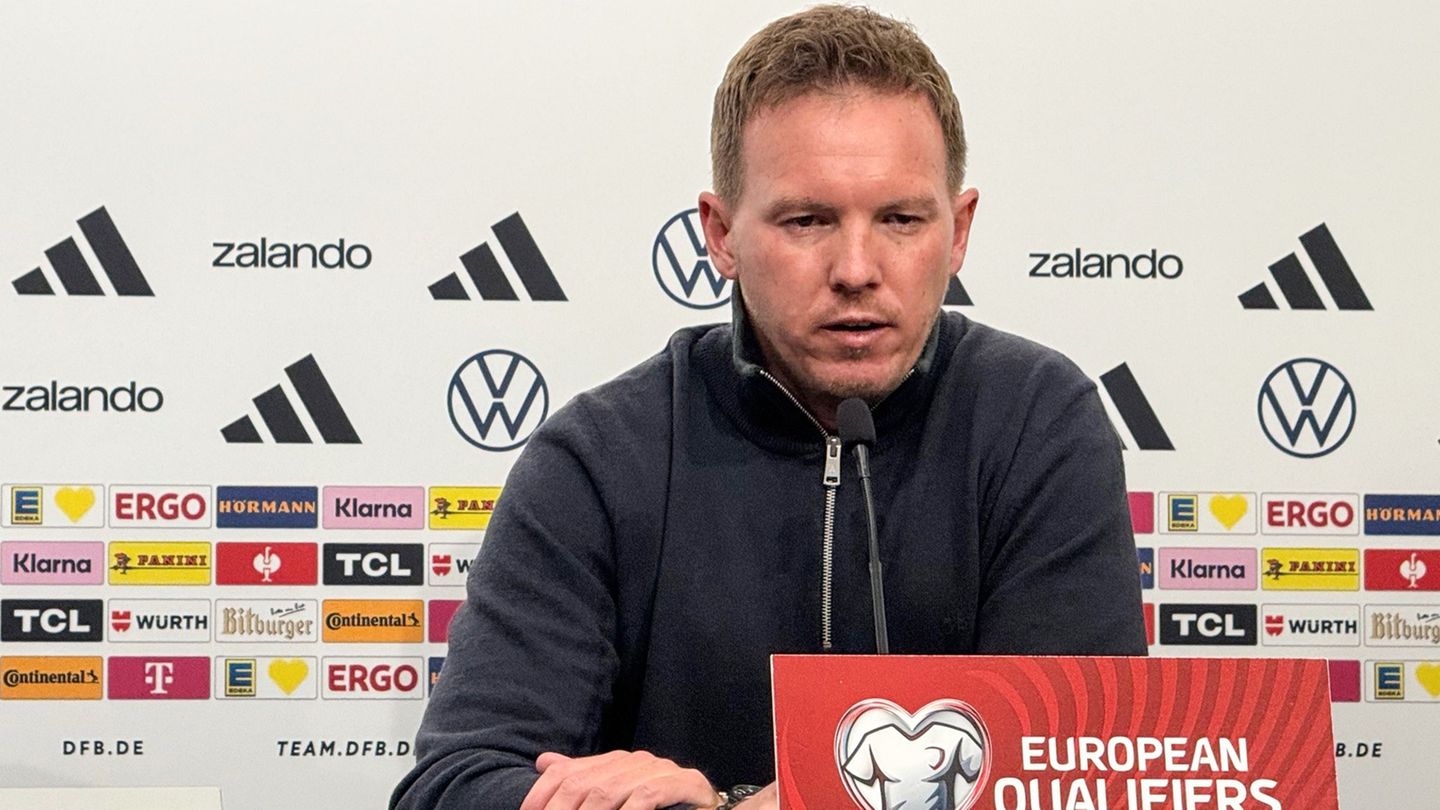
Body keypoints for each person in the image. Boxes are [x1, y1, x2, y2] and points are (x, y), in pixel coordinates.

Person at [392, 5, 1145, 809]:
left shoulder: (1037, 421)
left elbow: (1080, 771)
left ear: (957, 232)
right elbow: (455, 782)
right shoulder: (601, 456)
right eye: (807, 220)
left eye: (900, 219)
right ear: (720, 235)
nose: (856, 268)